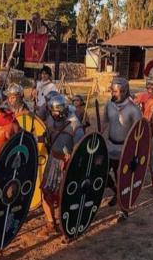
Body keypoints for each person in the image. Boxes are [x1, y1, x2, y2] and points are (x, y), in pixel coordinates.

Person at [38, 94, 84, 237]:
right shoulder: (51, 120)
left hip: (67, 164)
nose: (54, 114)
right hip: (52, 160)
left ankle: (67, 225)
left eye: (56, 111)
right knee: (46, 192)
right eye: (52, 111)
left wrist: (72, 156)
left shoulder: (75, 125)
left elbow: (80, 148)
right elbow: (46, 136)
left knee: (65, 196)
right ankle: (51, 223)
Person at [102, 77, 142, 217]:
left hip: (125, 150)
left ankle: (123, 209)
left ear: (125, 92)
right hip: (110, 146)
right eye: (112, 91)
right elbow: (104, 123)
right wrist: (97, 137)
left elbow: (139, 133)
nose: (114, 94)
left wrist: (135, 154)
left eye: (117, 92)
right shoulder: (109, 105)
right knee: (103, 174)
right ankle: (115, 192)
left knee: (123, 180)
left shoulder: (133, 110)